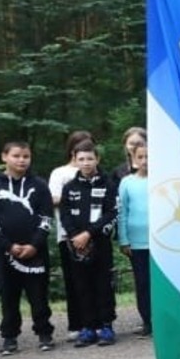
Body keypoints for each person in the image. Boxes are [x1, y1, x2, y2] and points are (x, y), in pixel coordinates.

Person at [0, 142, 55, 355]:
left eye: (26, 156)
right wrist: (8, 245)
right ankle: (10, 337)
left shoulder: (40, 185)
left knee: (38, 294)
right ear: (4, 157)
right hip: (4, 252)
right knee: (8, 295)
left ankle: (44, 333)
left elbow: (47, 217)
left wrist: (34, 244)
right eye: (16, 156)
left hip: (35, 251)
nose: (21, 160)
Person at [58, 140, 119, 347]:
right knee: (82, 287)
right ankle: (88, 327)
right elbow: (64, 214)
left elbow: (112, 213)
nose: (86, 163)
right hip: (76, 246)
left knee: (103, 285)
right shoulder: (69, 187)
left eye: (90, 158)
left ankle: (106, 326)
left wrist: (89, 234)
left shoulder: (108, 184)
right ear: (74, 160)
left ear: (97, 159)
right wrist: (76, 236)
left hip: (100, 244)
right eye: (81, 159)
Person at [50, 131, 95, 336]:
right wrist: (73, 196)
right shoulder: (60, 173)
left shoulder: (95, 171)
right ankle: (76, 324)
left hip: (94, 234)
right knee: (73, 280)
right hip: (67, 234)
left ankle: (97, 321)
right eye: (80, 147)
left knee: (95, 280)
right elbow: (52, 198)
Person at [117, 139, 151, 336]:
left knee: (160, 284)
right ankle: (147, 320)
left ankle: (163, 319)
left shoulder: (162, 179)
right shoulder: (127, 183)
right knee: (142, 282)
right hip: (137, 242)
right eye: (141, 157)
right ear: (133, 159)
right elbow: (122, 211)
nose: (145, 160)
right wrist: (124, 239)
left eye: (149, 156)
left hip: (160, 242)